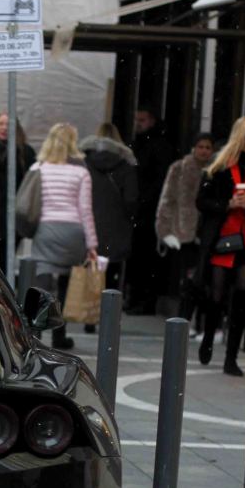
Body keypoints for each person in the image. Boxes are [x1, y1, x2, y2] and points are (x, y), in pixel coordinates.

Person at [195, 117, 245, 377]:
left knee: (242, 294)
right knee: (216, 294)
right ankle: (208, 337)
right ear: (244, 136)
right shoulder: (220, 165)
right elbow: (202, 200)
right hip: (223, 239)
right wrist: (227, 204)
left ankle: (231, 356)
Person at [27, 123, 98, 350]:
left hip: (46, 229)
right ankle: (60, 334)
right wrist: (92, 244)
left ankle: (35, 332)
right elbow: (85, 210)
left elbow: (29, 203)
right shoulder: (81, 172)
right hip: (73, 232)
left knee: (42, 283)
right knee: (68, 283)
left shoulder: (38, 168)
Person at [79, 122, 137, 331]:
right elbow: (131, 200)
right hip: (117, 224)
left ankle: (89, 316)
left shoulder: (85, 163)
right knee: (111, 272)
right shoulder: (126, 165)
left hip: (92, 221)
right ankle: (108, 317)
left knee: (93, 269)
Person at [156, 132, 215, 334]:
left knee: (204, 280)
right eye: (201, 146)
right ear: (193, 148)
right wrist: (164, 231)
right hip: (184, 233)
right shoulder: (179, 169)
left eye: (208, 147)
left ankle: (200, 323)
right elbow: (167, 200)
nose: (204, 151)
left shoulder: (216, 170)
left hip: (208, 232)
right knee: (189, 279)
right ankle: (185, 321)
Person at [127, 106, 176, 314]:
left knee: (145, 257)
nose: (139, 124)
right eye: (137, 119)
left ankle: (144, 300)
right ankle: (139, 298)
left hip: (149, 210)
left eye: (143, 120)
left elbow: (158, 180)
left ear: (152, 121)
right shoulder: (141, 144)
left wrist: (144, 200)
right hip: (143, 208)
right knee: (140, 257)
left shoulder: (155, 146)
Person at [0, 112, 35, 259]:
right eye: (0, 124)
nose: (4, 128)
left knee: (5, 263)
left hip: (12, 220)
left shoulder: (25, 153)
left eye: (8, 124)